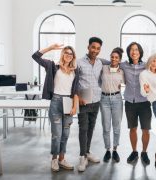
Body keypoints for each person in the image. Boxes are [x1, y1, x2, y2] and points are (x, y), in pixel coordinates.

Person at [32, 44, 79, 172]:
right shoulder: (53, 66)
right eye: (66, 53)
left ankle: (62, 159)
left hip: (69, 102)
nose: (69, 55)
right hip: (56, 102)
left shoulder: (75, 70)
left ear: (73, 56)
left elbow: (76, 91)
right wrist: (51, 48)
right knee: (56, 134)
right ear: (63, 54)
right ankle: (54, 159)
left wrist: (75, 106)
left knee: (65, 134)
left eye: (71, 54)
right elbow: (35, 56)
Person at [76, 37, 103, 172]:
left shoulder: (100, 63)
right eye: (93, 47)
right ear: (88, 47)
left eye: (98, 49)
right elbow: (73, 81)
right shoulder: (79, 62)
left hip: (96, 99)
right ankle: (82, 156)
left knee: (91, 128)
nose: (95, 50)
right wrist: (78, 96)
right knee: (83, 128)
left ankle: (87, 152)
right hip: (84, 99)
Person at [100, 47, 125, 163]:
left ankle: (115, 149)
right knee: (106, 127)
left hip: (117, 99)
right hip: (104, 99)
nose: (114, 59)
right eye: (112, 57)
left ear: (119, 60)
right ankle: (107, 150)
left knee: (117, 126)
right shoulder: (104, 68)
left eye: (116, 57)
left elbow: (126, 84)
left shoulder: (122, 72)